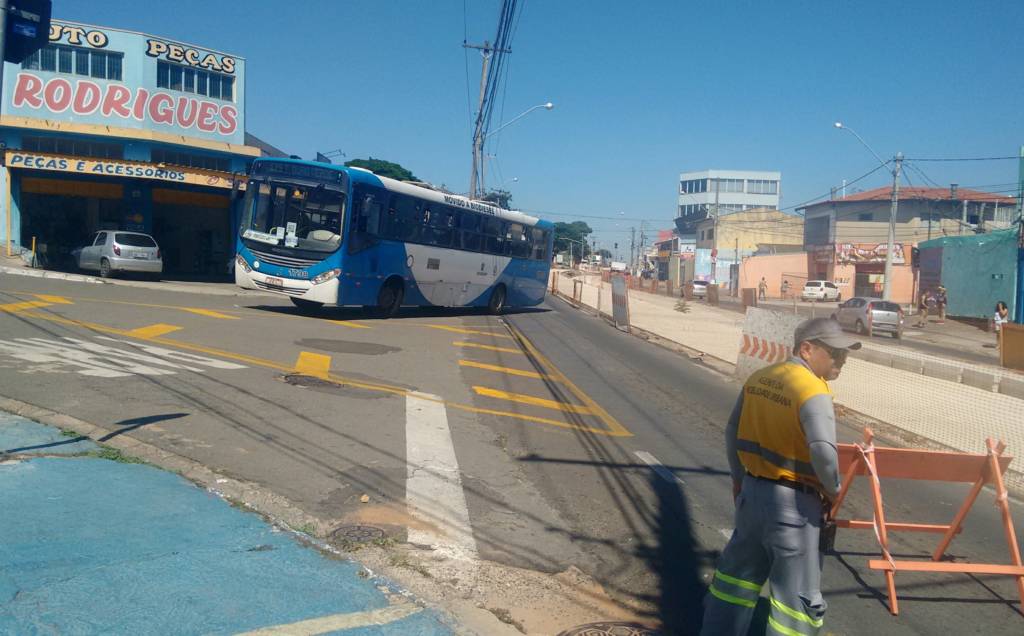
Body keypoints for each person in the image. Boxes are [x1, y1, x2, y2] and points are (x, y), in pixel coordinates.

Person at [701, 318, 861, 636]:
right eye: (834, 352)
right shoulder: (813, 389)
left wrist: (738, 479)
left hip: (752, 495)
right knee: (795, 603)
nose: (842, 359)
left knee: (734, 583)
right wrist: (833, 490)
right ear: (807, 348)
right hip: (795, 509)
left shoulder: (760, 378)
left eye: (844, 353)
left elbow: (732, 431)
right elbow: (823, 451)